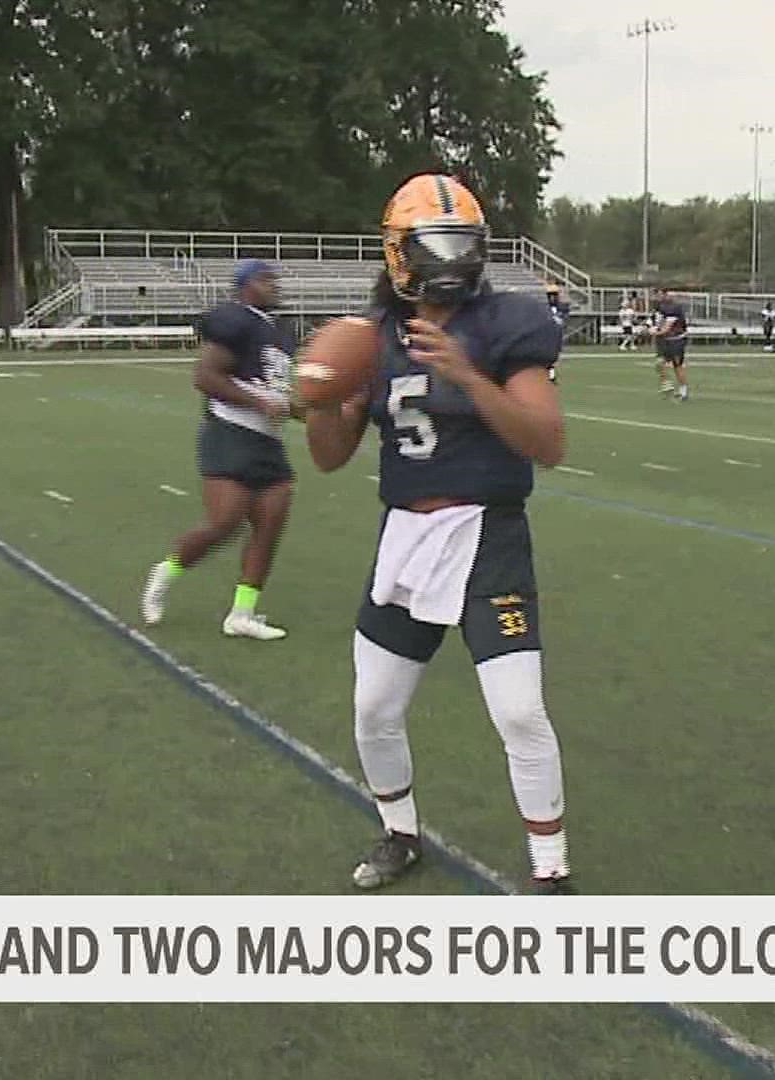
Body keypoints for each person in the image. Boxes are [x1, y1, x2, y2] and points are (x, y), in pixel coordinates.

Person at [304, 172, 575, 894]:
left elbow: (547, 443)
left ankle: (550, 868)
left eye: (463, 242)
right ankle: (399, 831)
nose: (451, 258)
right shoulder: (375, 337)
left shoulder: (506, 323)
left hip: (489, 535)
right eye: (436, 242)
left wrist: (468, 375)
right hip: (407, 537)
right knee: (374, 707)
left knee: (519, 709)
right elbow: (329, 457)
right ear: (399, 251)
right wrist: (322, 399)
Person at [139, 259, 298, 640]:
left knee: (269, 524)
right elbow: (206, 376)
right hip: (230, 432)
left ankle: (242, 613)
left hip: (268, 441)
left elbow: (275, 392)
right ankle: (166, 571)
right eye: (264, 279)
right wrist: (259, 403)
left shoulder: (278, 330)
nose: (273, 285)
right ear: (244, 286)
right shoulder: (236, 319)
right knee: (225, 522)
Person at [653, 287, 689, 401]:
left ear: (665, 294)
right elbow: (654, 320)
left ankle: (683, 391)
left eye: (659, 294)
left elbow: (667, 327)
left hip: (676, 340)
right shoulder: (659, 306)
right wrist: (648, 327)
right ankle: (667, 385)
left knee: (677, 366)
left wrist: (656, 332)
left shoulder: (674, 308)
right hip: (665, 340)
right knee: (659, 363)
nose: (657, 297)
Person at [545, 287, 571, 383]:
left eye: (554, 295)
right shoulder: (545, 308)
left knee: (554, 355)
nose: (552, 298)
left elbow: (564, 318)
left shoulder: (562, 308)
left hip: (556, 333)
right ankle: (550, 375)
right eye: (550, 295)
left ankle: (551, 375)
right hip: (548, 333)